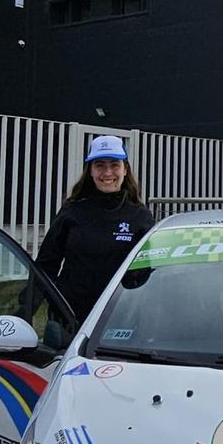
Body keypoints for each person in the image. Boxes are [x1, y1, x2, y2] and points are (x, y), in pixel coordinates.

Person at [35, 135, 154, 326]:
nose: (108, 173)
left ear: (125, 170)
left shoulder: (140, 216)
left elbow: (145, 274)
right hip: (69, 318)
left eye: (114, 165)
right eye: (99, 165)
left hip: (119, 317)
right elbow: (45, 265)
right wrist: (24, 311)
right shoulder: (72, 211)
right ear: (90, 171)